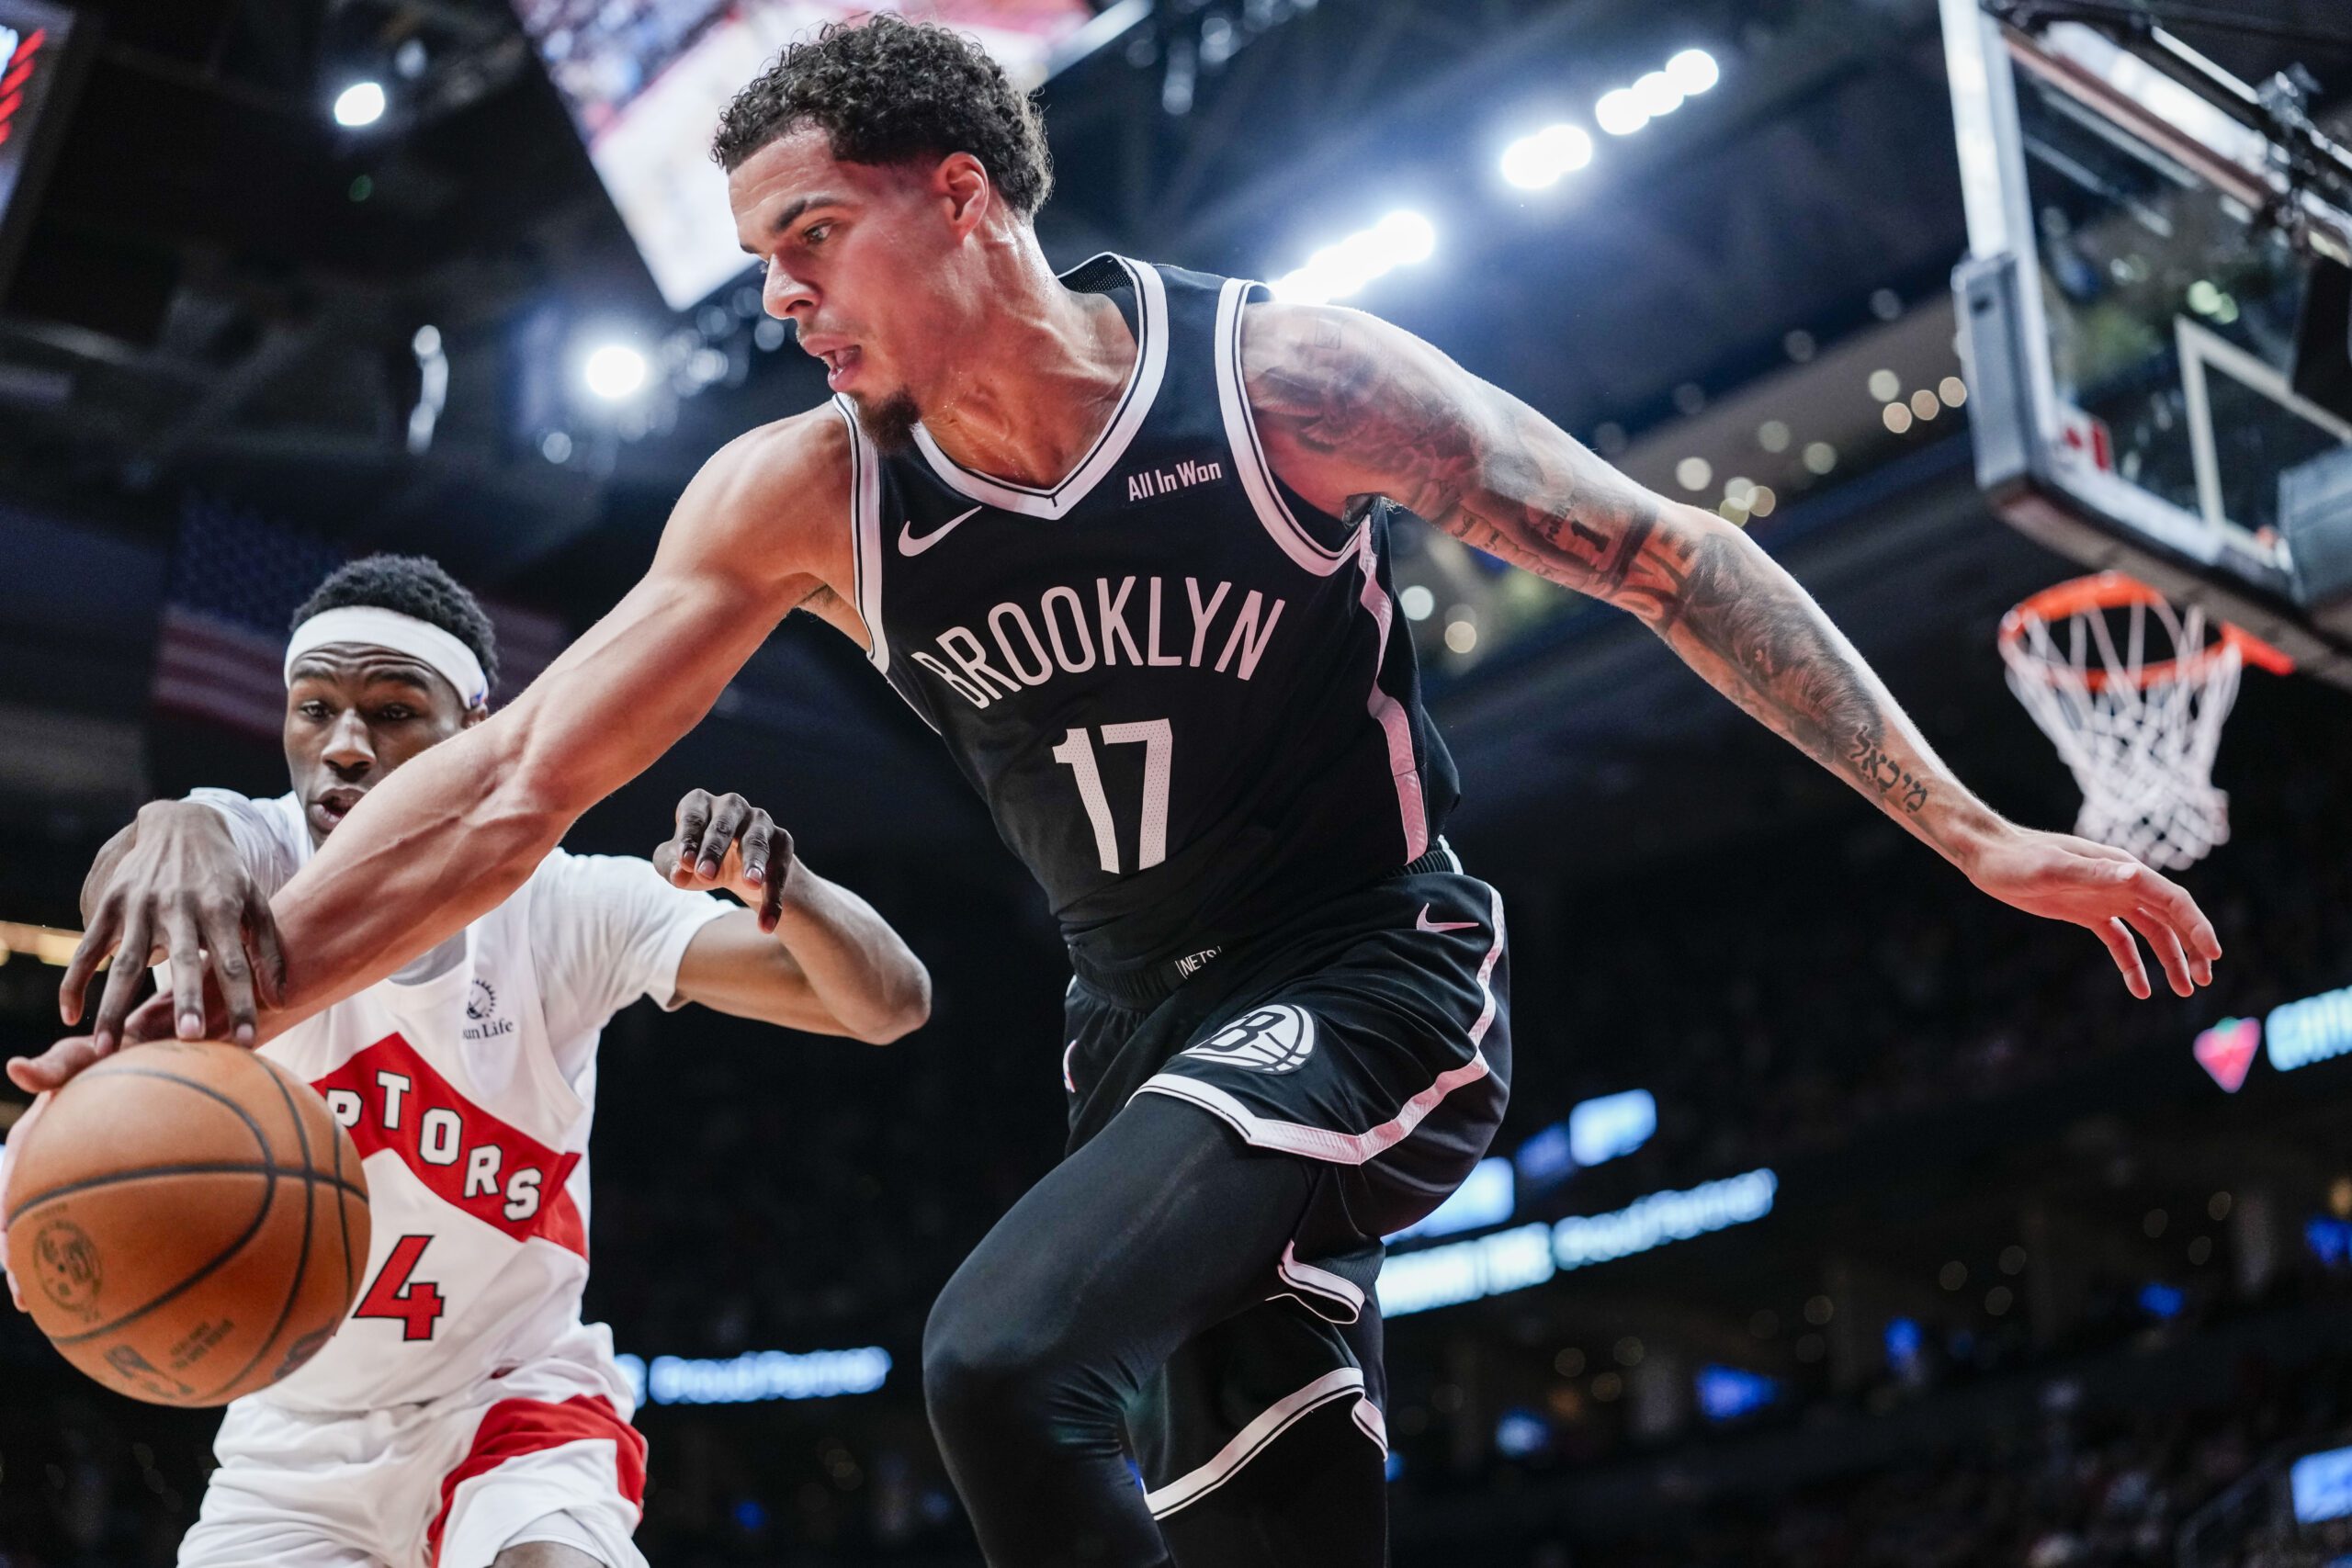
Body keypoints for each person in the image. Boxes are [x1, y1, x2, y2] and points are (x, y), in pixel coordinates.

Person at [14, 18, 2223, 1567]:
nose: (772, 296)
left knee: (988, 1354)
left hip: (1368, 969)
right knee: (1263, 1509)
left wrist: (1969, 824)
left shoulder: (1281, 380)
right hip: (1138, 1035)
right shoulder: (807, 493)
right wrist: (222, 1007)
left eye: (804, 237)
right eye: (759, 257)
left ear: (956, 195)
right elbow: (509, 785)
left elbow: (1665, 549)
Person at [3, 554, 930, 1568]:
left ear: (476, 731)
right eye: (313, 710)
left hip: (511, 1402)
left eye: (394, 712)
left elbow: (886, 1003)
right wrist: (166, 824)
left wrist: (780, 883)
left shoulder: (569, 904)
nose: (344, 747)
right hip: (294, 1449)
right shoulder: (252, 854)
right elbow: (144, 870)